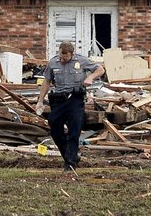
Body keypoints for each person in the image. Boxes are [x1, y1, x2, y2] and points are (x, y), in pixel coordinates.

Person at [35, 41, 105, 172]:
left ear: (71, 55)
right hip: (58, 99)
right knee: (54, 127)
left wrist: (90, 77)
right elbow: (47, 81)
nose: (62, 59)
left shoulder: (82, 61)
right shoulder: (53, 62)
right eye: (60, 56)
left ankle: (70, 163)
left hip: (75, 99)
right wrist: (40, 100)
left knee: (74, 129)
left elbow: (100, 69)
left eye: (65, 57)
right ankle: (69, 154)